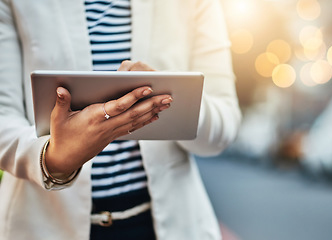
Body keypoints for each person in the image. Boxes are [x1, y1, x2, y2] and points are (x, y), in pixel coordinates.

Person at [0, 0, 241, 239]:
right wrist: (53, 158)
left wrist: (175, 101)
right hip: (43, 225)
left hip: (164, 226)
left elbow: (224, 122)